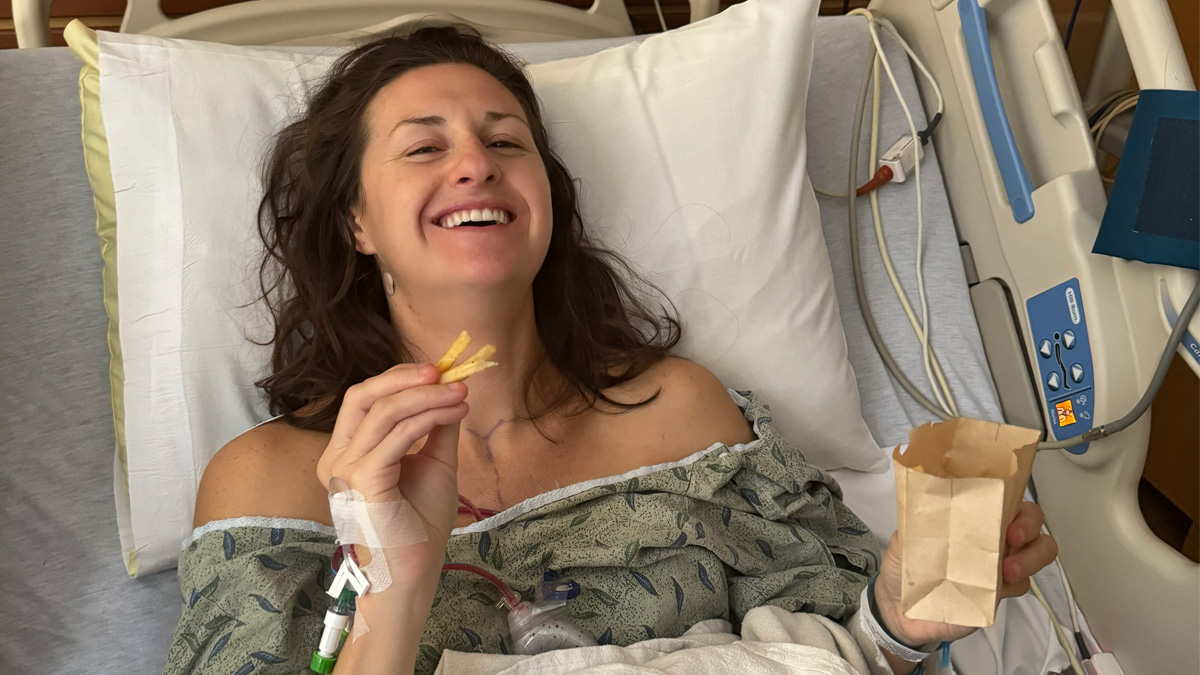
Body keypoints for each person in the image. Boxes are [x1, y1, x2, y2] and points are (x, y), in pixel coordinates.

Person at [165, 25, 1058, 675]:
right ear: (355, 221)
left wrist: (903, 612)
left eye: (504, 140)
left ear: (546, 201)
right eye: (424, 147)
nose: (475, 162)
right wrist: (387, 575)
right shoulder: (273, 482)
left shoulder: (684, 412)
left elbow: (841, 652)